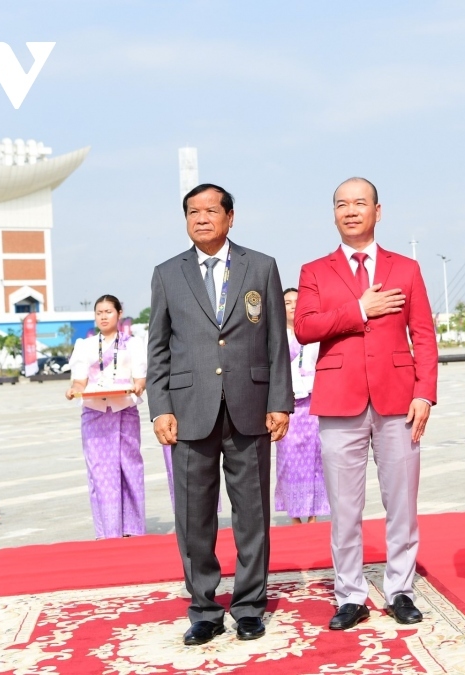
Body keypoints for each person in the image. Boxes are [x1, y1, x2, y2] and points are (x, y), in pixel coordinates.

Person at [147, 183, 292, 645]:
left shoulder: (261, 267)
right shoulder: (168, 274)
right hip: (189, 411)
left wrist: (279, 401)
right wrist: (160, 407)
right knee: (194, 516)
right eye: (193, 212)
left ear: (231, 217)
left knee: (252, 512)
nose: (202, 218)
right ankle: (204, 609)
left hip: (250, 406)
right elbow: (158, 350)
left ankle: (250, 605)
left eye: (212, 210)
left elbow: (275, 342)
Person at [294, 177, 437, 631]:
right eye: (341, 204)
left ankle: (400, 589)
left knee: (402, 502)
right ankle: (350, 594)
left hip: (398, 400)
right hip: (339, 401)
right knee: (345, 507)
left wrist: (424, 393)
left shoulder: (406, 269)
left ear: (379, 211)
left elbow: (425, 336)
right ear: (333, 214)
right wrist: (360, 309)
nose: (350, 210)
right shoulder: (314, 271)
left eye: (360, 203)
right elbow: (305, 328)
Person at [65, 295, 148, 539]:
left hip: (124, 409)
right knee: (100, 471)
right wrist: (73, 389)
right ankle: (107, 531)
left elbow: (140, 379)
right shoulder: (85, 345)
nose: (103, 316)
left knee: (129, 468)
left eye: (108, 311)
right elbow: (80, 380)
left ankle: (132, 528)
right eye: (99, 312)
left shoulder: (133, 344)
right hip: (94, 411)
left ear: (119, 313)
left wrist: (137, 388)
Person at [275, 287, 329, 524]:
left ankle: (314, 514)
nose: (293, 305)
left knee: (316, 458)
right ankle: (294, 514)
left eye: (297, 301)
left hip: (314, 403)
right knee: (289, 460)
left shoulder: (315, 335)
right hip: (288, 406)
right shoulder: (274, 337)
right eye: (287, 302)